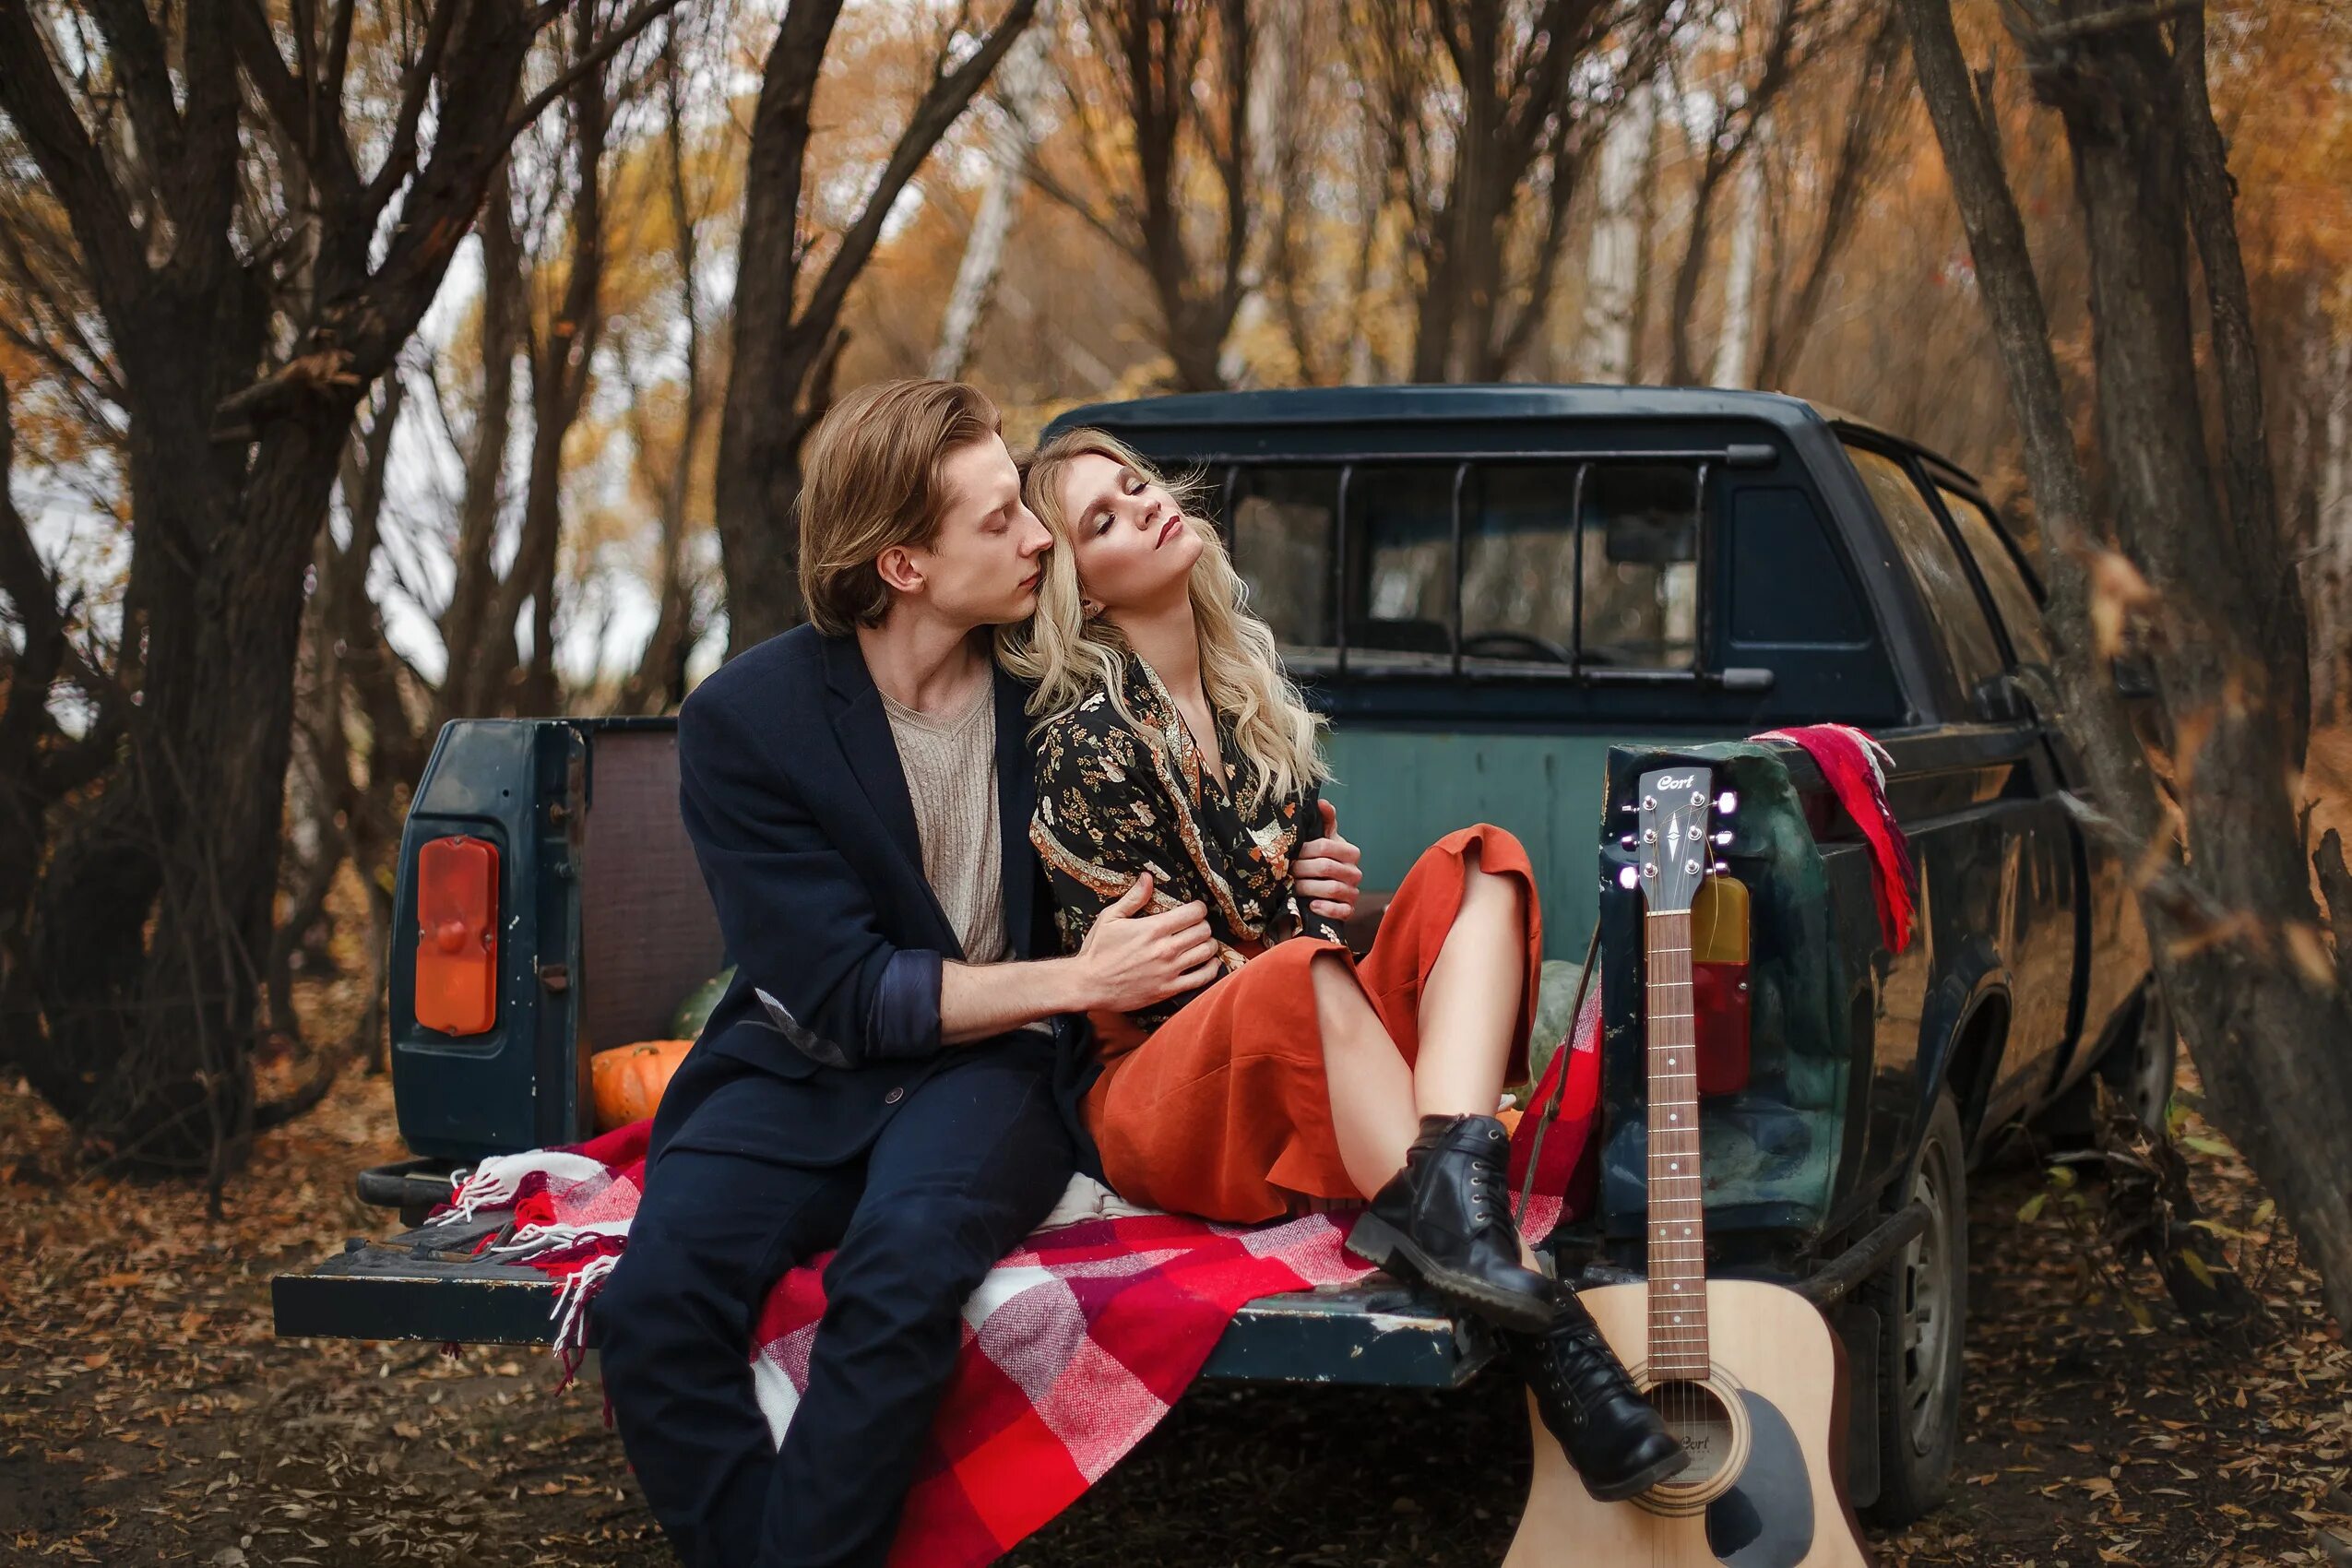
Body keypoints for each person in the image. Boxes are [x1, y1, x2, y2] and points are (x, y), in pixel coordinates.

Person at [591, 384, 1219, 1568]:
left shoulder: (1061, 689)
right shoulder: (748, 720)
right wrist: (1075, 980)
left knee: (900, 1272)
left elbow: (1196, 810)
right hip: (797, 1065)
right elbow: (844, 994)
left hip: (991, 1076)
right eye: (998, 522)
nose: (1037, 534)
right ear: (905, 563)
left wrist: (1299, 854)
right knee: (654, 1305)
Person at [999, 428, 1689, 1503]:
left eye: (1134, 485)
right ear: (1082, 595)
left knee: (1485, 861)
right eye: (1102, 518)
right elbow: (1180, 978)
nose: (1141, 506)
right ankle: (1547, 1326)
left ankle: (1454, 1193)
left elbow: (1274, 928)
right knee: (1296, 972)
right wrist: (1293, 924)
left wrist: (1311, 889)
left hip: (1284, 1019)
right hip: (1161, 1090)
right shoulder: (1087, 740)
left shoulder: (1242, 692)